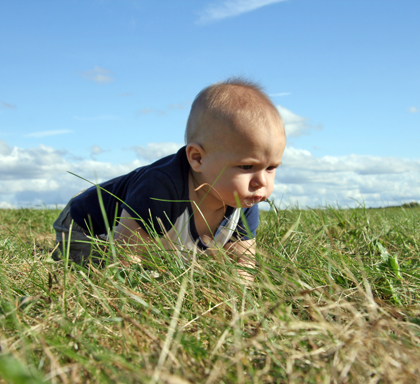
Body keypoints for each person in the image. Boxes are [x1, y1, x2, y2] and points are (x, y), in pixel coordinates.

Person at [53, 77, 286, 280]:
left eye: (271, 168)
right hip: (86, 225)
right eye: (247, 166)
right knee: (100, 266)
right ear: (197, 158)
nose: (261, 182)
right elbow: (124, 257)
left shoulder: (243, 199)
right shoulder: (161, 189)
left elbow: (243, 263)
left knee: (189, 267)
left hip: (154, 237)